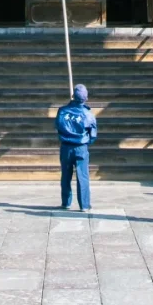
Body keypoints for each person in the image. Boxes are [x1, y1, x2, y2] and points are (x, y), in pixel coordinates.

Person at [56, 84, 97, 212]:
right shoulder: (88, 114)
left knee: (66, 176)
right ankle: (84, 205)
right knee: (83, 177)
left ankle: (66, 202)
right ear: (86, 98)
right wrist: (86, 142)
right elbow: (93, 135)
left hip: (66, 147)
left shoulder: (62, 111)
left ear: (73, 95)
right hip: (81, 147)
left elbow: (58, 126)